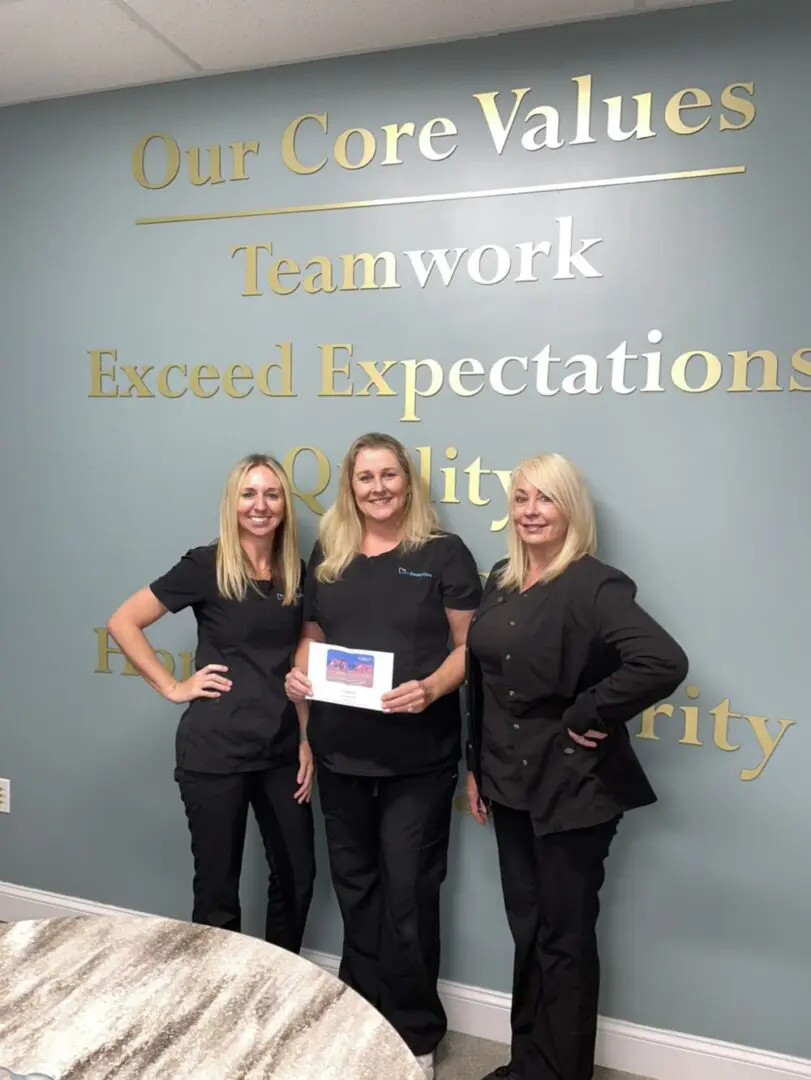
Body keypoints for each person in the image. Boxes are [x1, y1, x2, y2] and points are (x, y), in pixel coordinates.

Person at [465, 453, 689, 1080]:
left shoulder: (594, 583)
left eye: (547, 499)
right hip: (507, 781)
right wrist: (475, 766)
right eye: (521, 497)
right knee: (528, 931)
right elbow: (482, 683)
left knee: (563, 940)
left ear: (571, 510)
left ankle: (561, 1073)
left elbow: (661, 662)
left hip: (573, 788)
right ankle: (525, 1063)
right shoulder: (503, 579)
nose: (531, 511)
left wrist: (588, 710)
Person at [284, 432, 482, 1080]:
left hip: (416, 761)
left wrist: (430, 688)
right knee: (356, 892)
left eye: (388, 476)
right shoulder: (331, 554)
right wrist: (299, 687)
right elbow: (311, 643)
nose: (377, 488)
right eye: (365, 478)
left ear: (407, 482)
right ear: (351, 485)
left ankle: (414, 1033)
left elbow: (467, 648)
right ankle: (358, 1017)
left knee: (408, 896)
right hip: (341, 756)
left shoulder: (444, 553)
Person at [106, 453, 315, 953]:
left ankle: (278, 985)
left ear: (284, 504)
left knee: (297, 878)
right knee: (218, 891)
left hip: (282, 747)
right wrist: (174, 686)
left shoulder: (297, 573)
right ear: (233, 503)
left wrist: (307, 738)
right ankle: (217, 1001)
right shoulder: (206, 564)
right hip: (215, 752)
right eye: (249, 494)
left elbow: (298, 667)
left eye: (271, 494)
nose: (260, 505)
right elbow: (124, 622)